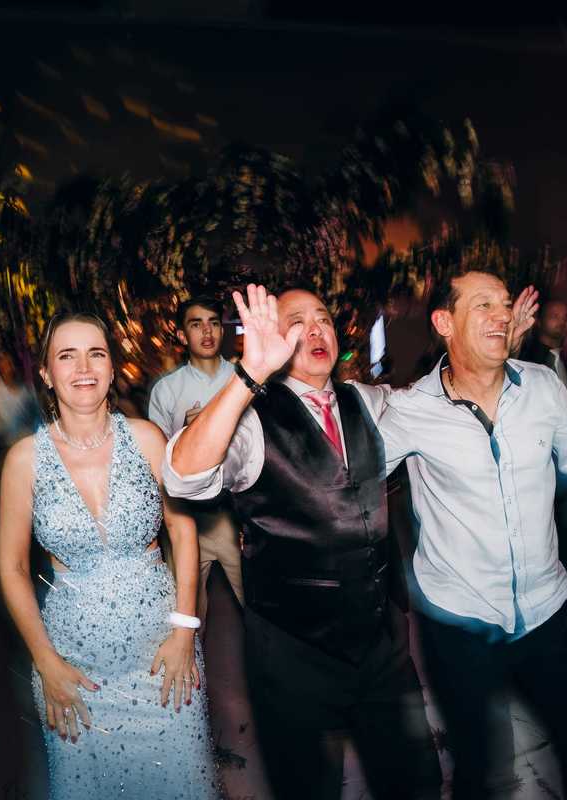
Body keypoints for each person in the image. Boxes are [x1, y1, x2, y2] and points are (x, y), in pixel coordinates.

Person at [166, 285, 443, 800]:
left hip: (381, 646)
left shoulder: (368, 401)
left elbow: (441, 400)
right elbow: (183, 477)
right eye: (297, 322)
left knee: (416, 782)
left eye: (323, 319)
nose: (316, 330)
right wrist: (248, 376)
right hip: (293, 656)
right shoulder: (251, 418)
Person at [376, 269, 567, 799]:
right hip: (458, 623)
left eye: (505, 304)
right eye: (483, 305)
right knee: (479, 771)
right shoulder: (411, 410)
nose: (503, 315)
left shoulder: (542, 387)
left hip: (547, 612)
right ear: (444, 322)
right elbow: (340, 470)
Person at [0, 312, 216, 800]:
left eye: (96, 354)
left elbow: (182, 531)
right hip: (73, 667)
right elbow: (12, 567)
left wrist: (184, 631)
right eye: (66, 356)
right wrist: (45, 661)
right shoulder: (24, 460)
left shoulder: (147, 438)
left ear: (113, 368)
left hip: (163, 657)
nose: (83, 368)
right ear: (47, 374)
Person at [148, 296, 243, 622]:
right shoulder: (166, 390)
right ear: (181, 335)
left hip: (235, 516)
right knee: (187, 615)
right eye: (196, 324)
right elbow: (157, 466)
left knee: (258, 609)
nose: (207, 332)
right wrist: (187, 434)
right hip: (187, 518)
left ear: (222, 330)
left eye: (213, 323)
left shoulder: (243, 380)